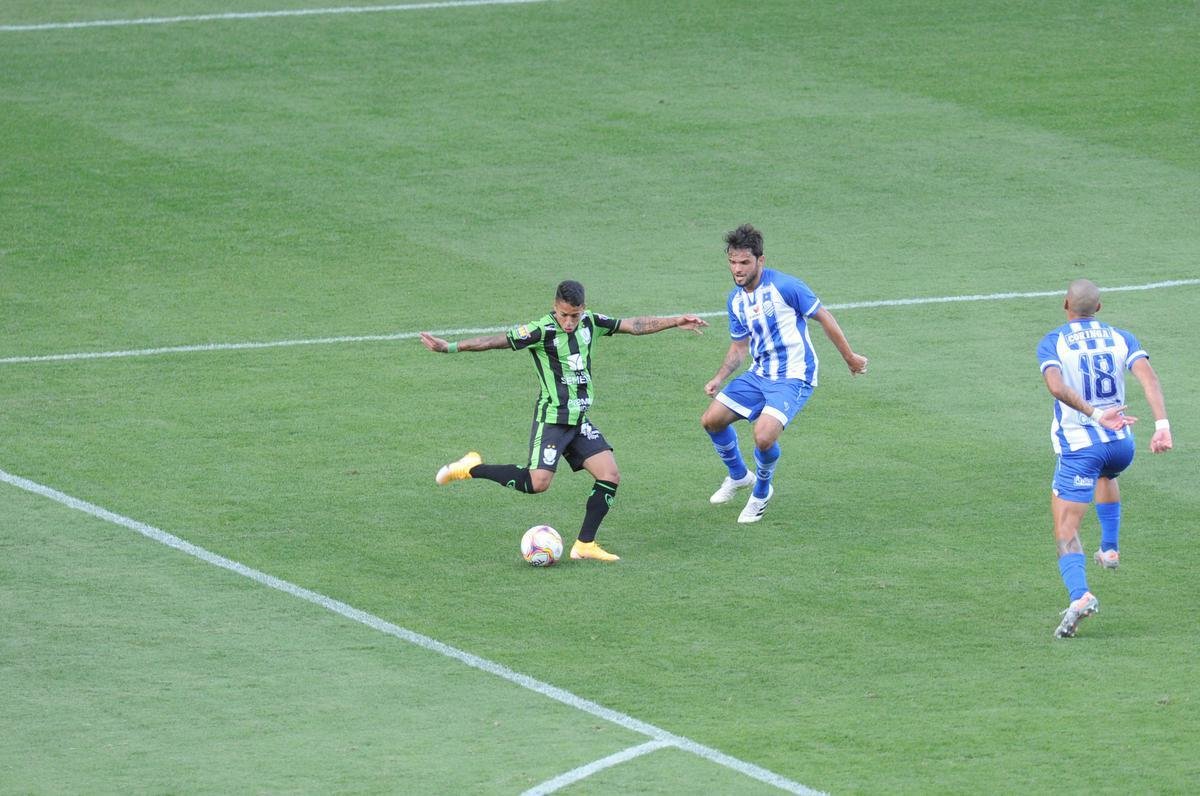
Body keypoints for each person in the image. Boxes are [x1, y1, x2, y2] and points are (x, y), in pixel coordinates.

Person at [420, 279, 708, 562]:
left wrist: (675, 321)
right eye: (563, 315)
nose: (569, 322)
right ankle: (471, 468)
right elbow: (493, 341)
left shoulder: (591, 323)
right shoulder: (541, 330)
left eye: (575, 315)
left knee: (609, 475)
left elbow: (632, 325)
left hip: (578, 419)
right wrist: (450, 347)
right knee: (538, 483)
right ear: (554, 308)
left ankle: (584, 545)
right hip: (553, 420)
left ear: (583, 309)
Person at [700, 223, 868, 524]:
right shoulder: (735, 300)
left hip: (794, 375)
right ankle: (739, 476)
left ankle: (761, 493)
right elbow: (740, 347)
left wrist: (850, 357)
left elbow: (824, 317)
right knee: (711, 421)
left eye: (744, 263)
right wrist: (719, 377)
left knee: (763, 436)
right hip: (759, 374)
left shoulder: (786, 287)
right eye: (732, 262)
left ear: (760, 261)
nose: (737, 269)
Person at [1038, 278, 1173, 638]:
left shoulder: (1054, 341)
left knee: (1066, 529)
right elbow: (1149, 378)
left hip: (1082, 448)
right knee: (1106, 475)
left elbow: (1055, 385)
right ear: (1099, 308)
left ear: (1066, 303)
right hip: (1120, 447)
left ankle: (1080, 595)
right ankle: (1110, 549)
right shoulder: (1121, 337)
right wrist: (1162, 426)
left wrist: (1096, 416)